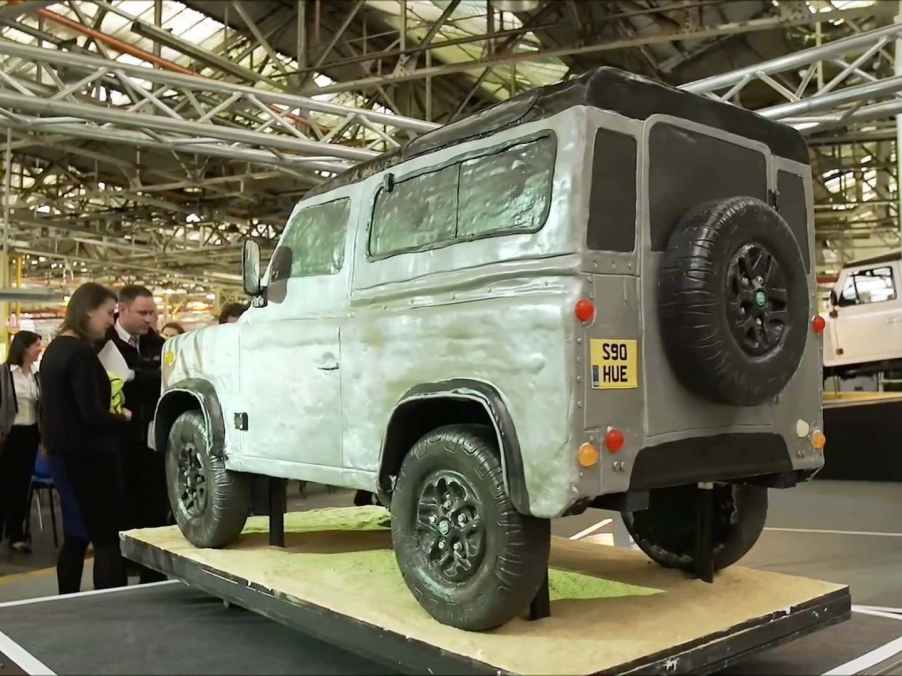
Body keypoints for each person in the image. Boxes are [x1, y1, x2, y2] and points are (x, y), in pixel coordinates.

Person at [40, 282, 130, 593]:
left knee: (76, 535)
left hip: (63, 455)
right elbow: (91, 413)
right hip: (88, 458)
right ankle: (109, 603)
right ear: (88, 311)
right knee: (105, 538)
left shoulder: (54, 350)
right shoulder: (80, 354)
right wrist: (122, 417)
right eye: (108, 313)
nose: (110, 321)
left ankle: (67, 599)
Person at [103, 285, 167, 583]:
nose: (149, 319)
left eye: (152, 312)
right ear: (123, 309)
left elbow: (166, 379)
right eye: (143, 312)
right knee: (120, 510)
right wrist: (145, 377)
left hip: (152, 441)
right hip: (116, 443)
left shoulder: (159, 344)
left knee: (153, 510)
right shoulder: (103, 343)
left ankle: (152, 575)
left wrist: (134, 377)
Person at [0, 331, 43, 552]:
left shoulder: (36, 374)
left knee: (22, 485)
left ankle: (16, 533)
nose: (39, 349)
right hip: (8, 436)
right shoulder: (4, 373)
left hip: (31, 434)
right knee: (4, 484)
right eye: (36, 345)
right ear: (24, 348)